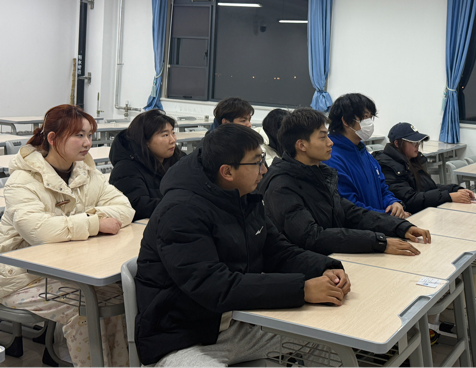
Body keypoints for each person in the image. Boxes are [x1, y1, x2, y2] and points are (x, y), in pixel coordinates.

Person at [134, 123, 350, 367]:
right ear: (227, 171)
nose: (265, 169)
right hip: (183, 336)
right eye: (257, 162)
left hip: (241, 323)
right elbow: (215, 287)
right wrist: (302, 289)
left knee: (329, 344)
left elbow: (278, 251)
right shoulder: (180, 212)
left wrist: (325, 267)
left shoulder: (245, 197)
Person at [0, 105, 135, 368]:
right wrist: (95, 222)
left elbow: (124, 208)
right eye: (79, 135)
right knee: (83, 310)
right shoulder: (22, 181)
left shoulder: (86, 172)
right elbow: (41, 231)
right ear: (52, 138)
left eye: (90, 135)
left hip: (66, 267)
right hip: (18, 276)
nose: (88, 143)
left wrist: (83, 222)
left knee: (119, 298)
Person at [260, 107, 432, 257]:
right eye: (323, 137)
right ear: (301, 145)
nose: (330, 143)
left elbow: (351, 213)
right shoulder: (281, 186)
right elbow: (312, 237)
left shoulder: (320, 173)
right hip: (312, 270)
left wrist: (400, 227)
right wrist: (378, 242)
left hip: (335, 259)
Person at [325, 93, 407, 218]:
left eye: (370, 117)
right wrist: (388, 218)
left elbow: (382, 189)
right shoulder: (331, 158)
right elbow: (349, 206)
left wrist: (393, 203)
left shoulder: (364, 153)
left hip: (380, 223)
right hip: (362, 227)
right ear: (346, 121)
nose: (369, 122)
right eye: (364, 117)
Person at [374, 123, 476, 214]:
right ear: (397, 143)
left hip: (424, 213)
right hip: (411, 217)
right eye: (413, 143)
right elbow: (410, 200)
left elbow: (429, 188)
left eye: (418, 142)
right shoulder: (387, 167)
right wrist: (448, 196)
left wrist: (455, 189)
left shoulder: (412, 160)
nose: (417, 146)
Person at [109, 109, 184, 221]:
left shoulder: (178, 159)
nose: (173, 140)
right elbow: (138, 207)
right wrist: (182, 206)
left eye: (173, 133)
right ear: (145, 141)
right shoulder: (126, 169)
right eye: (165, 135)